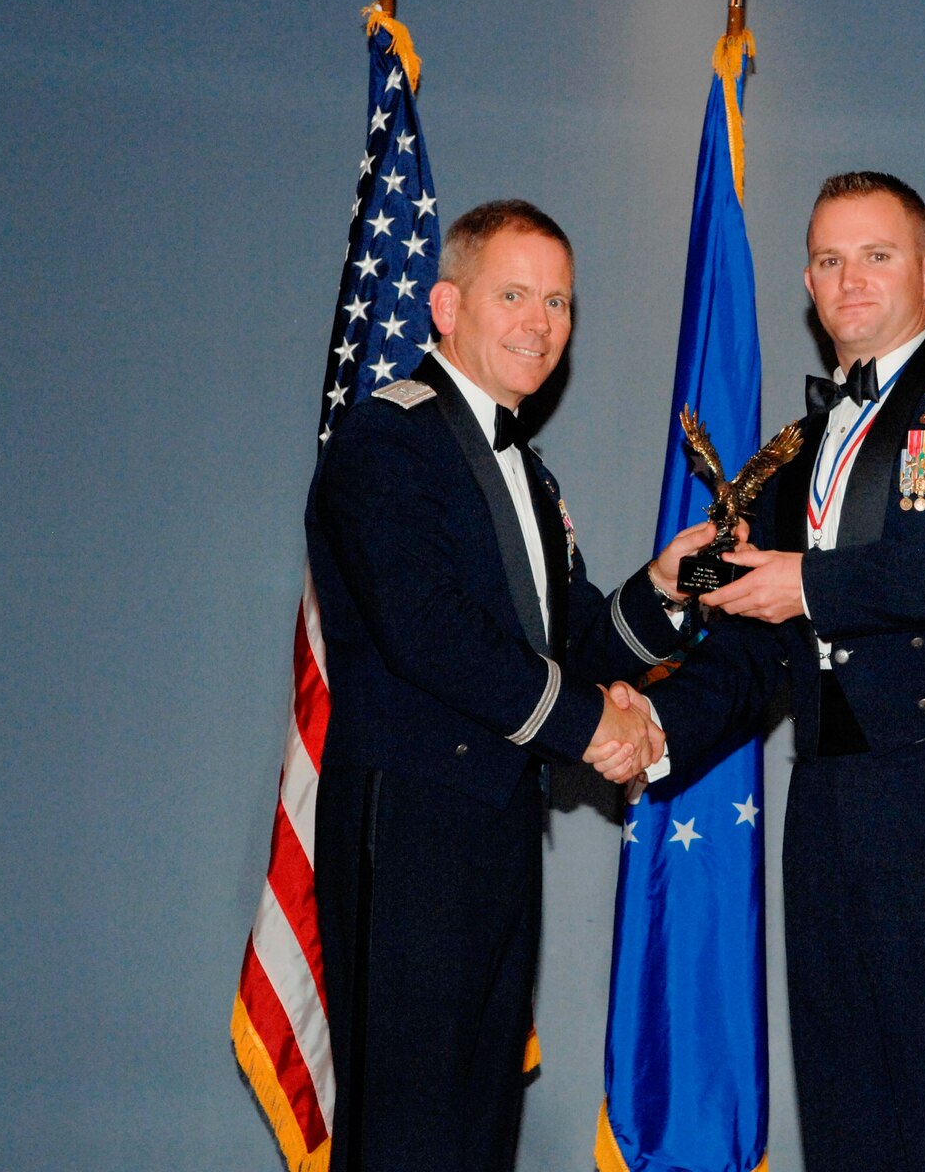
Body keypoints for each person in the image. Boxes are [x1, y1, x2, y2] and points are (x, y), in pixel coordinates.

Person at [616, 172, 925, 1171]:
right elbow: (749, 647)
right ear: (807, 284)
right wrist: (649, 731)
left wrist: (814, 581)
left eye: (876, 253)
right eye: (826, 259)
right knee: (846, 1101)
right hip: (823, 799)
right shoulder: (792, 451)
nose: (848, 278)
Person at [306, 199, 713, 1172]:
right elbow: (431, 634)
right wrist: (588, 730)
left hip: (493, 828)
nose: (540, 321)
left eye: (560, 300)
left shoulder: (525, 473)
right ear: (445, 304)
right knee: (409, 1129)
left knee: (479, 1124)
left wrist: (662, 591)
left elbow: (568, 643)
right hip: (406, 828)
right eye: (515, 294)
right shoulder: (384, 439)